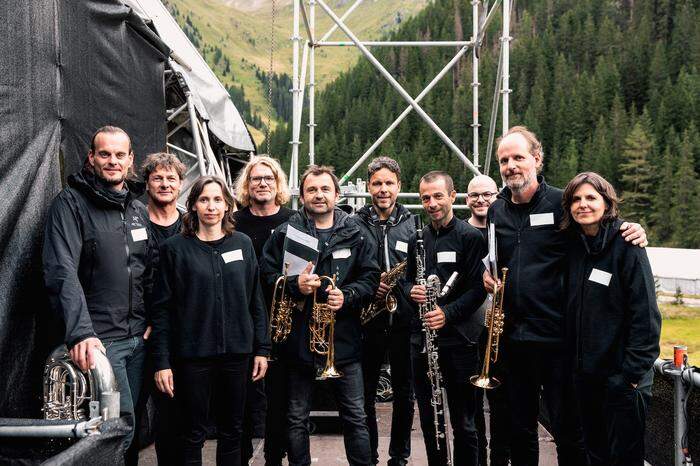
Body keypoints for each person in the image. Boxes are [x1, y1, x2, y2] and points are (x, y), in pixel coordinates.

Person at [483, 126, 648, 466]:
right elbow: (492, 258)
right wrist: (486, 276)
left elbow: (596, 226)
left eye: (518, 157)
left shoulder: (562, 202)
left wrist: (630, 228)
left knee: (569, 432)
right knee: (520, 430)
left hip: (560, 342)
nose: (511, 165)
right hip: (514, 341)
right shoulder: (496, 212)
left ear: (537, 159)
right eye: (504, 160)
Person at [43, 126, 154, 458]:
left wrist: (150, 318)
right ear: (91, 158)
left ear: (130, 160)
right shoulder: (70, 204)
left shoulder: (136, 208)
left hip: (138, 341)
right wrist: (80, 333)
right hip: (101, 343)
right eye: (104, 154)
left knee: (131, 433)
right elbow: (60, 270)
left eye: (120, 155)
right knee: (115, 428)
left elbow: (146, 267)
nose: (113, 161)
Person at [261, 165, 380, 466]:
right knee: (296, 417)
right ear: (301, 196)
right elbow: (265, 274)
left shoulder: (357, 233)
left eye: (325, 189)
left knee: (355, 416)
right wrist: (293, 285)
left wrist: (349, 295)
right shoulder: (285, 232)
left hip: (344, 341)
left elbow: (371, 277)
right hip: (299, 342)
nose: (319, 195)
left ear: (337, 194)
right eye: (312, 190)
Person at [151, 176, 271, 466]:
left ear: (227, 205)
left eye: (218, 199)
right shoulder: (174, 249)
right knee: (192, 432)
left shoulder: (242, 244)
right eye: (204, 199)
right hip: (192, 358)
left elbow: (255, 300)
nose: (211, 206)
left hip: (237, 355)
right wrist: (162, 362)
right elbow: (162, 310)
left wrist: (262, 350)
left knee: (233, 431)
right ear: (192, 205)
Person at [561, 172, 661, 466]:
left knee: (625, 459)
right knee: (596, 456)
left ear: (607, 202)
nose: (583, 205)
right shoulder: (574, 246)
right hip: (587, 380)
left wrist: (629, 377)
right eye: (576, 199)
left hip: (622, 382)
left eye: (591, 198)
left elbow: (646, 316)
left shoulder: (628, 244)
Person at [405, 171, 487, 466]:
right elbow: (405, 281)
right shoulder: (418, 240)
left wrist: (448, 314)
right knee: (430, 419)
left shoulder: (470, 237)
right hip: (423, 341)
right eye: (425, 197)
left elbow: (479, 289)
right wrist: (410, 290)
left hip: (459, 341)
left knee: (465, 423)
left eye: (438, 196)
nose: (432, 203)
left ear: (453, 196)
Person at [353, 157, 415, 466]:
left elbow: (418, 271)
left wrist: (398, 291)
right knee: (365, 393)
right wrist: (368, 286)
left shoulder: (412, 223)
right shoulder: (353, 223)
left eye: (389, 183)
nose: (383, 189)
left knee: (405, 392)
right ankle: (370, 455)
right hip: (367, 319)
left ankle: (399, 456)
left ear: (399, 186)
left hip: (403, 318)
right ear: (368, 186)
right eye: (377, 183)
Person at [233, 155, 294, 466]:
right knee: (243, 398)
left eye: (268, 178)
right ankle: (241, 456)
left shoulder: (293, 221)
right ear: (247, 184)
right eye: (256, 178)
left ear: (277, 183)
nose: (262, 183)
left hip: (283, 319)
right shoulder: (233, 222)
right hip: (242, 320)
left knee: (278, 397)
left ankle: (274, 457)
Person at [140, 152, 186, 465]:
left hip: (179, 333)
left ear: (181, 184)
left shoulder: (190, 225)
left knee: (173, 416)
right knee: (134, 411)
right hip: (139, 331)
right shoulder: (132, 219)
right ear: (147, 183)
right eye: (158, 178)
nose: (165, 183)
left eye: (171, 178)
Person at [466, 174, 511, 466]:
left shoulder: (506, 230)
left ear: (497, 196)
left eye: (487, 194)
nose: (481, 200)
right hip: (469, 332)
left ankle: (500, 460)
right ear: (466, 199)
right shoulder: (461, 233)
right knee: (471, 410)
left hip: (502, 332)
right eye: (474, 196)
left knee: (502, 407)